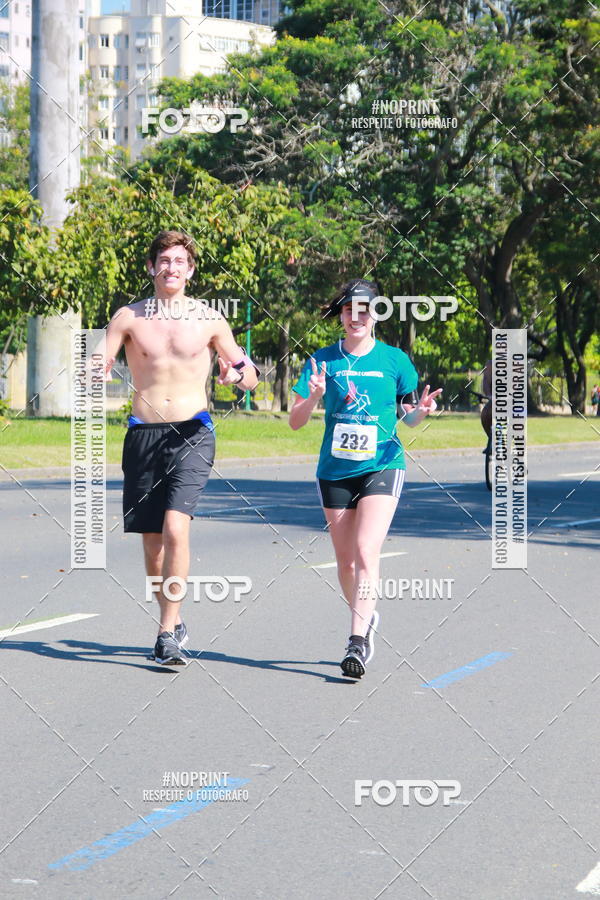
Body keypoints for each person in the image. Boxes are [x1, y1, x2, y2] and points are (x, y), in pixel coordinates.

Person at [103, 230, 259, 665]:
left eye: (180, 261)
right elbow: (102, 357)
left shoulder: (210, 320)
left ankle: (166, 633)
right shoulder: (128, 318)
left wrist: (237, 376)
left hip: (193, 432)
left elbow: (249, 373)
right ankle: (170, 615)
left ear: (191, 270)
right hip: (144, 435)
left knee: (176, 527)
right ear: (152, 267)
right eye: (164, 260)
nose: (172, 267)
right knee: (152, 544)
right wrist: (95, 369)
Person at [289, 278, 441, 678]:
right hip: (335, 470)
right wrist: (315, 396)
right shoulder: (322, 360)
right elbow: (294, 421)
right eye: (348, 310)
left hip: (383, 464)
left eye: (364, 310)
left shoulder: (395, 360)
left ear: (375, 315)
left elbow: (408, 418)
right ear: (340, 316)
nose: (356, 317)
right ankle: (366, 616)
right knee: (344, 562)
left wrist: (421, 410)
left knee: (364, 550)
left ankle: (356, 641)